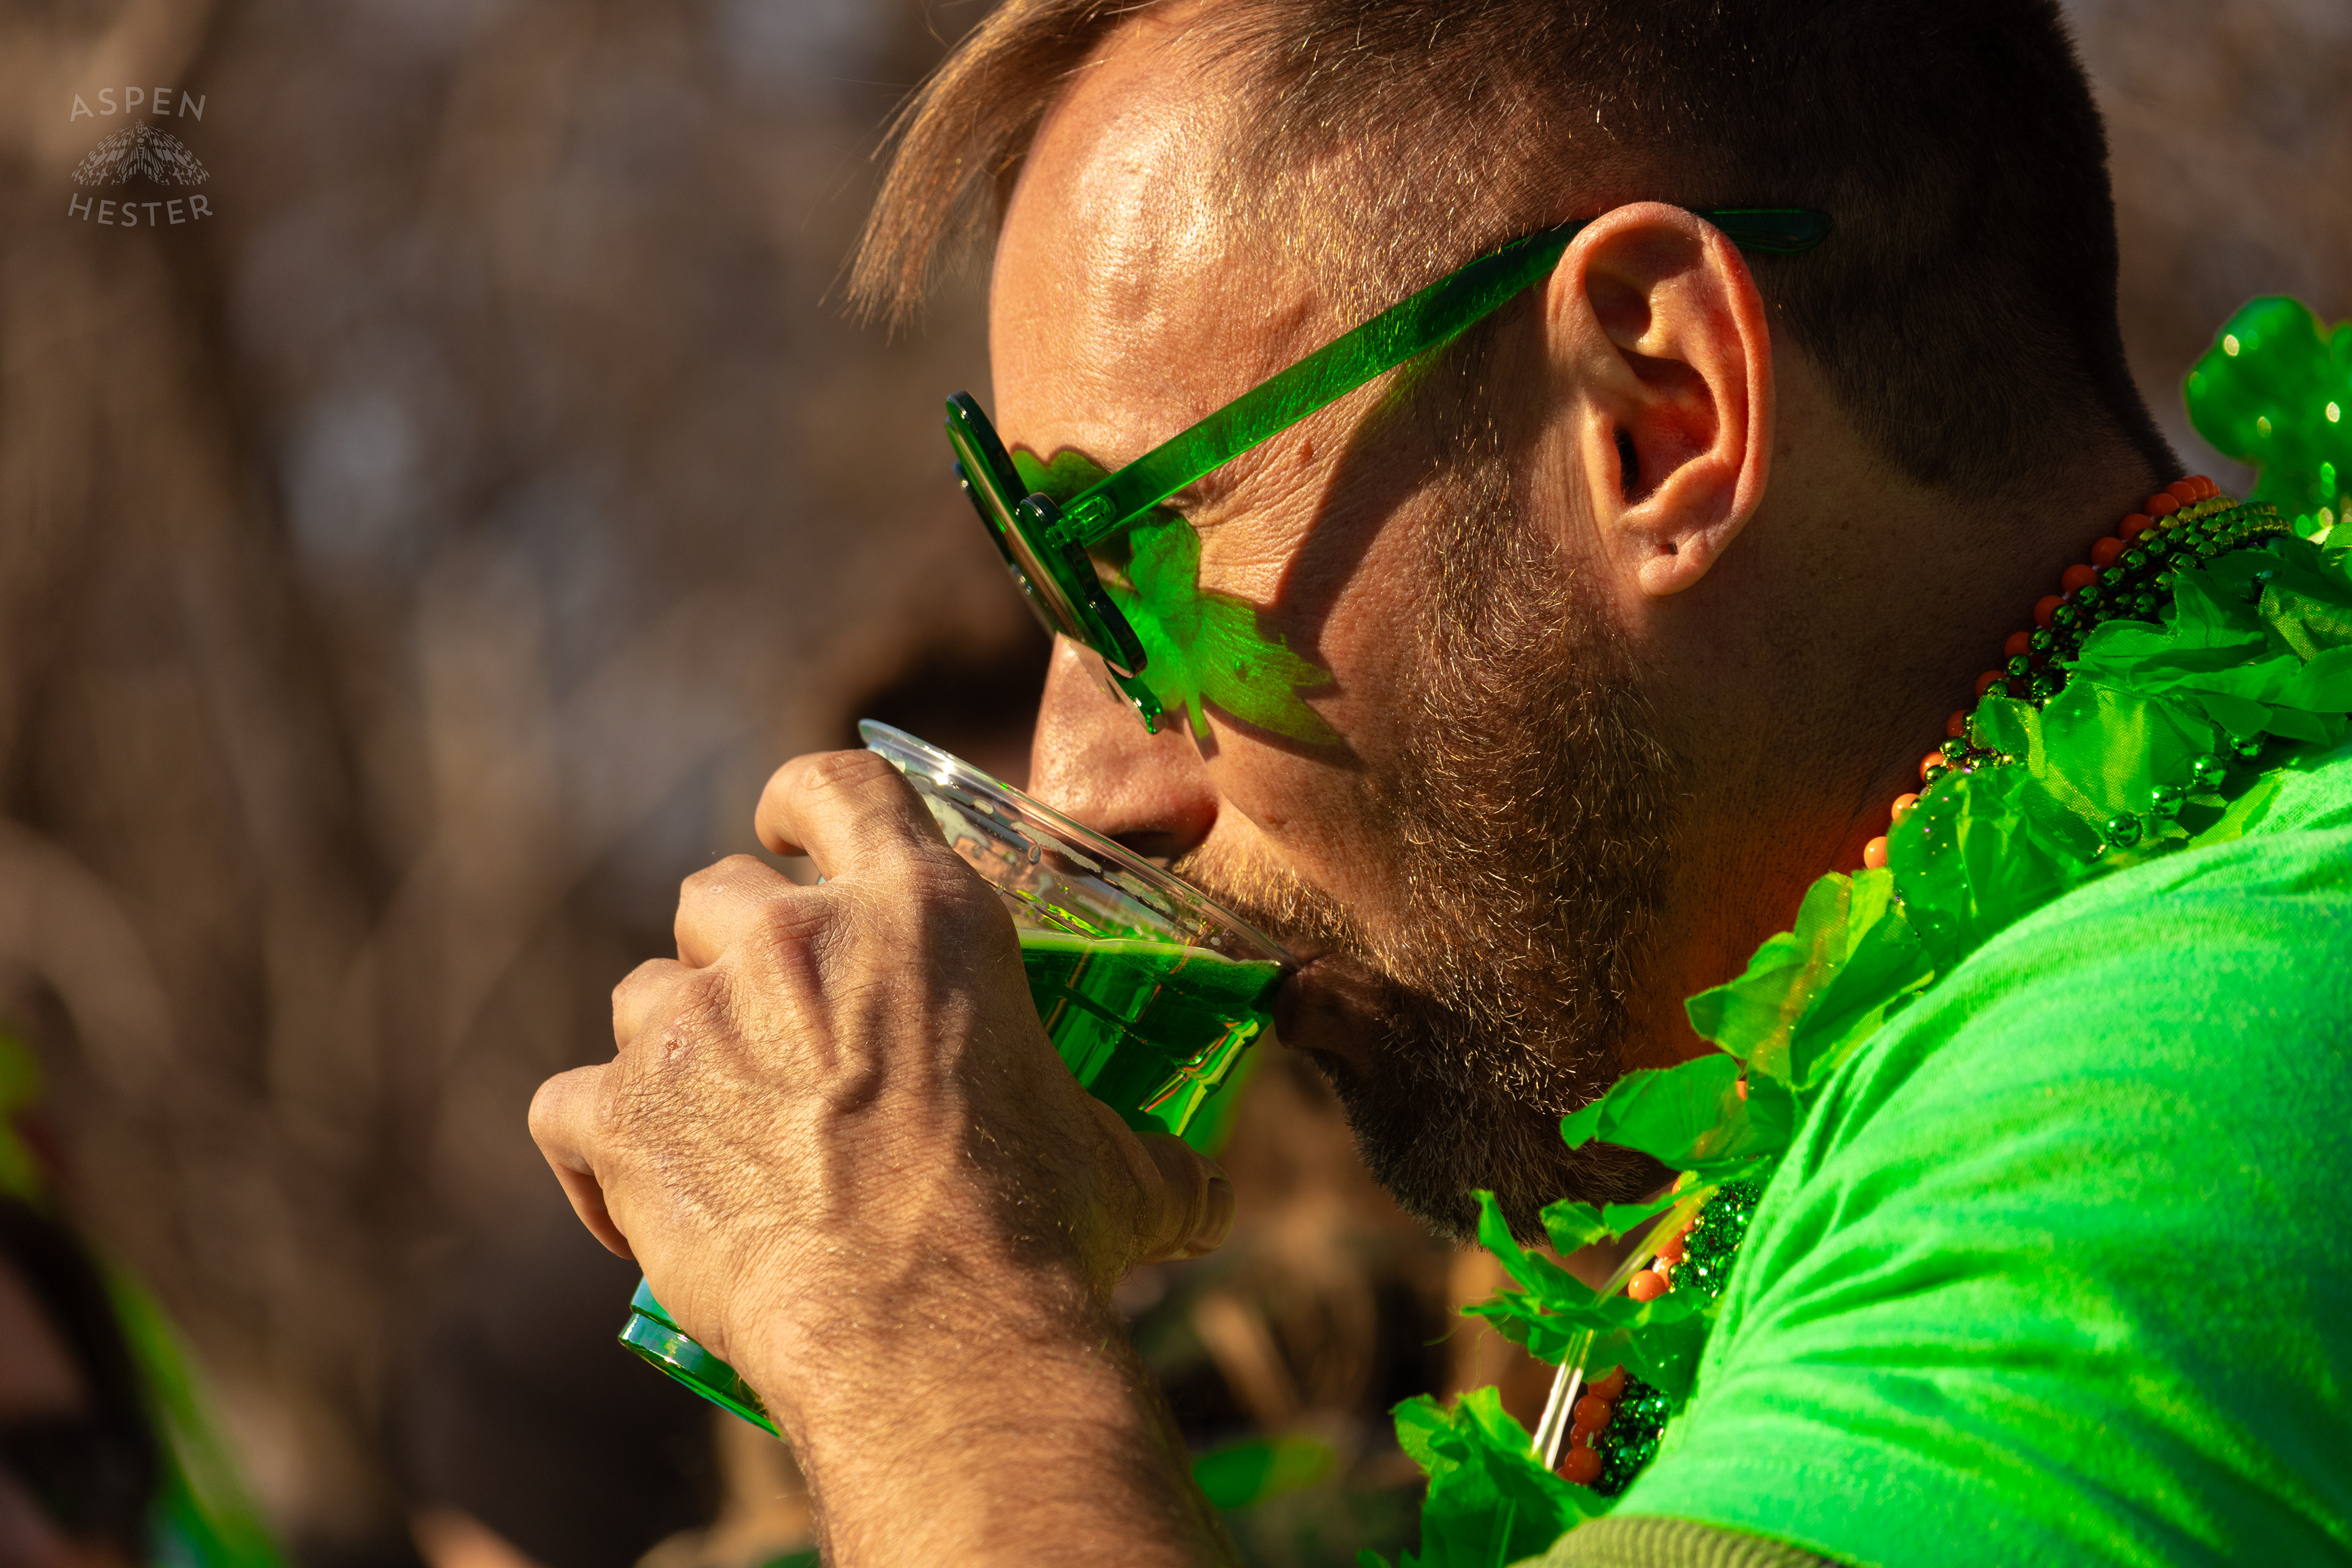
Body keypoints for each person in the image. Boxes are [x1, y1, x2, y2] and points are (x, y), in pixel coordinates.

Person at [527, 1, 2352, 1564]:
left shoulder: (2209, 1053)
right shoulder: (1792, 1153)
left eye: (1138, 568)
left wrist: (915, 1304)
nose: (1084, 774)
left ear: (1661, 411)